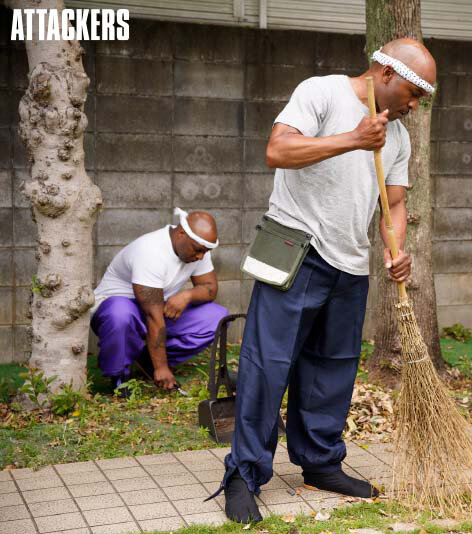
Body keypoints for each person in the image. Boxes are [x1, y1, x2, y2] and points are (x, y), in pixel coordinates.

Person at [214, 39, 436, 523]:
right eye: (414, 92)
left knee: (331, 370)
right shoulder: (322, 92)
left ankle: (319, 463)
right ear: (386, 73)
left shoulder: (397, 136)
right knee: (267, 366)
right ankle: (244, 474)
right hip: (295, 248)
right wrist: (353, 139)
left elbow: (395, 204)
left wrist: (395, 248)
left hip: (350, 264)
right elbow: (278, 150)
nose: (415, 105)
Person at [90, 208, 227, 392]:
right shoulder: (151, 251)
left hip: (157, 308)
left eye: (205, 251)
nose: (201, 256)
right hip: (119, 308)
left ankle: (147, 359)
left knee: (217, 317)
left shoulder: (197, 249)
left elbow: (210, 288)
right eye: (198, 250)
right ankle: (119, 376)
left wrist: (186, 295)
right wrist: (161, 367)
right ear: (181, 233)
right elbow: (152, 316)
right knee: (120, 314)